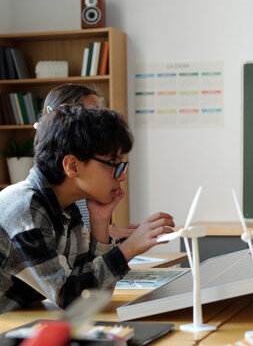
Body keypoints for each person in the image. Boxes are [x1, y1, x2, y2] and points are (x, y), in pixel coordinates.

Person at [0, 104, 174, 313]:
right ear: (72, 166)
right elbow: (69, 297)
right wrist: (128, 249)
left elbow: (93, 294)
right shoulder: (26, 209)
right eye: (113, 163)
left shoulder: (67, 208)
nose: (122, 176)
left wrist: (100, 222)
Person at [38, 83, 138, 241]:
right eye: (92, 115)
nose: (101, 123)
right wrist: (128, 246)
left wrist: (103, 227)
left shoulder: (71, 206)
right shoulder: (37, 206)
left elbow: (82, 261)